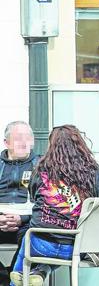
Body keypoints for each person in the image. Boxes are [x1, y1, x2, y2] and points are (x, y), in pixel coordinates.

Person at [10, 125, 99, 286]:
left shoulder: (41, 170)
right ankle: (38, 272)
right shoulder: (93, 171)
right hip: (77, 246)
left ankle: (21, 273)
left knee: (28, 238)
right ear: (81, 144)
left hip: (40, 245)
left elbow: (33, 196)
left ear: (51, 146)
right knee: (60, 245)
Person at [0, 122, 39, 286]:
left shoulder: (41, 165)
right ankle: (4, 278)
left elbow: (49, 204)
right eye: (17, 138)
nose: (24, 142)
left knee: (33, 239)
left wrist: (21, 218)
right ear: (6, 142)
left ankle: (15, 278)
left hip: (27, 221)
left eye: (28, 137)